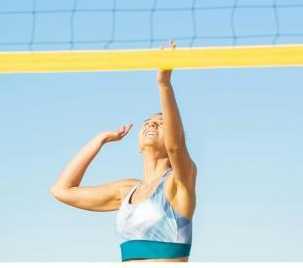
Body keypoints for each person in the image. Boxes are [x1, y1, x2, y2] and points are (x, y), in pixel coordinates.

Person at [50, 40, 195, 262]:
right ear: (138, 145)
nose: (151, 124)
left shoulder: (179, 182)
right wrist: (99, 140)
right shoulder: (126, 191)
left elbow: (175, 148)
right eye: (147, 122)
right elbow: (62, 190)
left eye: (161, 122)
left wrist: (164, 84)